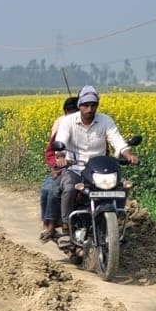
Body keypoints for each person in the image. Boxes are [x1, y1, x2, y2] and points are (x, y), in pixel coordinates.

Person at [55, 86, 137, 227]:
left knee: (122, 187)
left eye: (93, 105)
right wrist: (61, 156)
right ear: (79, 106)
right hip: (76, 167)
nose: (89, 109)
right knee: (69, 188)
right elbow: (61, 140)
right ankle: (66, 224)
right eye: (85, 105)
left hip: (99, 169)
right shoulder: (68, 121)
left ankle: (116, 216)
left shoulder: (105, 121)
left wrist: (129, 155)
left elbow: (117, 140)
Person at [40, 95, 78, 240]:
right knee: (49, 189)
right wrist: (55, 167)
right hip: (63, 169)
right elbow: (51, 152)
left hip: (86, 169)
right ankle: (49, 224)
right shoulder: (62, 128)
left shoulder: (94, 128)